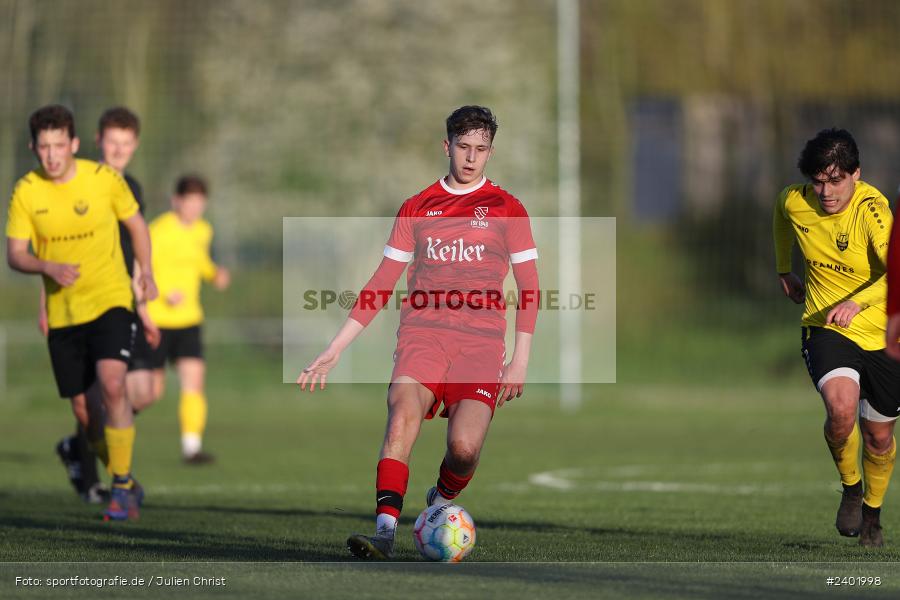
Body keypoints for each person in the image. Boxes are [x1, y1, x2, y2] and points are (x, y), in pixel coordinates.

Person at [298, 105, 540, 559]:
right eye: (463, 147)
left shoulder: (509, 209)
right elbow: (382, 282)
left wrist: (520, 360)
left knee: (464, 448)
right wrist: (335, 348)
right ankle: (385, 533)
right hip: (422, 336)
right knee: (401, 420)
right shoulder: (417, 207)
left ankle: (441, 501)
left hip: (482, 344)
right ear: (446, 146)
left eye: (481, 149)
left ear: (490, 152)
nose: (471, 158)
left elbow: (530, 288)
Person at [5, 104, 157, 521]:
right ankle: (123, 474)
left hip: (110, 299)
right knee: (85, 413)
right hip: (64, 313)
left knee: (113, 385)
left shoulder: (103, 179)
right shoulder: (26, 192)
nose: (52, 155)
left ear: (73, 144)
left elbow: (138, 226)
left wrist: (147, 275)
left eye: (59, 145)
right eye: (44, 147)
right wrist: (46, 266)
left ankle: (121, 489)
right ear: (33, 148)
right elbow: (15, 254)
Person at [774, 128, 898, 547]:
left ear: (855, 174)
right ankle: (850, 488)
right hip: (826, 326)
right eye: (819, 181)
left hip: (882, 332)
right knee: (841, 411)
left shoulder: (874, 209)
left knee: (879, 436)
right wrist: (782, 268)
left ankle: (873, 517)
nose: (826, 192)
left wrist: (858, 304)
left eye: (836, 180)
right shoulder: (796, 200)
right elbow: (781, 215)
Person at [50, 107, 160, 503]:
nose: (118, 150)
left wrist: (144, 303)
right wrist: (47, 306)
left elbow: (133, 246)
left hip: (123, 301)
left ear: (135, 146)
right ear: (98, 141)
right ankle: (103, 473)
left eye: (126, 143)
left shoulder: (130, 186)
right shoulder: (79, 183)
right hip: (83, 304)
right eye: (112, 142)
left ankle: (89, 443)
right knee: (98, 398)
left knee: (145, 390)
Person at [143, 174, 230, 463]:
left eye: (199, 203)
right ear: (175, 201)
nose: (194, 208)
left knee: (194, 382)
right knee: (150, 392)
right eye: (189, 202)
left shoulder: (203, 230)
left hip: (189, 319)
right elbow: (143, 270)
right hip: (157, 319)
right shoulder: (158, 231)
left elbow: (199, 261)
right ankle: (111, 424)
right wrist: (165, 293)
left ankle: (191, 448)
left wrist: (213, 273)